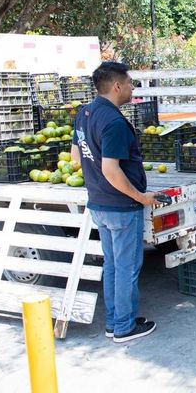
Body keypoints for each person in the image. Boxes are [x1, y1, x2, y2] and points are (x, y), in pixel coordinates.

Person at [71, 62, 159, 343]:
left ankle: (115, 321)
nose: (133, 87)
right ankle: (124, 327)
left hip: (98, 203)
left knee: (112, 266)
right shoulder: (114, 122)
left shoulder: (85, 113)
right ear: (118, 86)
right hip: (121, 207)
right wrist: (142, 197)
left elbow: (76, 157)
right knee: (127, 269)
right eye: (130, 82)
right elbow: (111, 169)